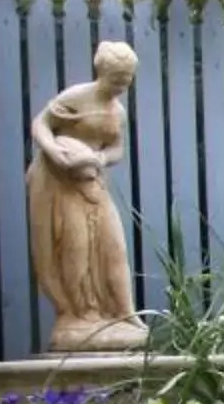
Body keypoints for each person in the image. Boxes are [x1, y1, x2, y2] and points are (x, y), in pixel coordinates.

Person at [27, 41, 147, 350]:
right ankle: (79, 314)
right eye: (117, 78)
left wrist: (100, 159)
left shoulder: (116, 111)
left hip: (92, 180)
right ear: (102, 72)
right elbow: (41, 124)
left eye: (128, 79)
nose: (122, 85)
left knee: (113, 244)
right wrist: (55, 151)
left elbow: (117, 147)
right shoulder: (76, 97)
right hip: (60, 180)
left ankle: (123, 312)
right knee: (75, 246)